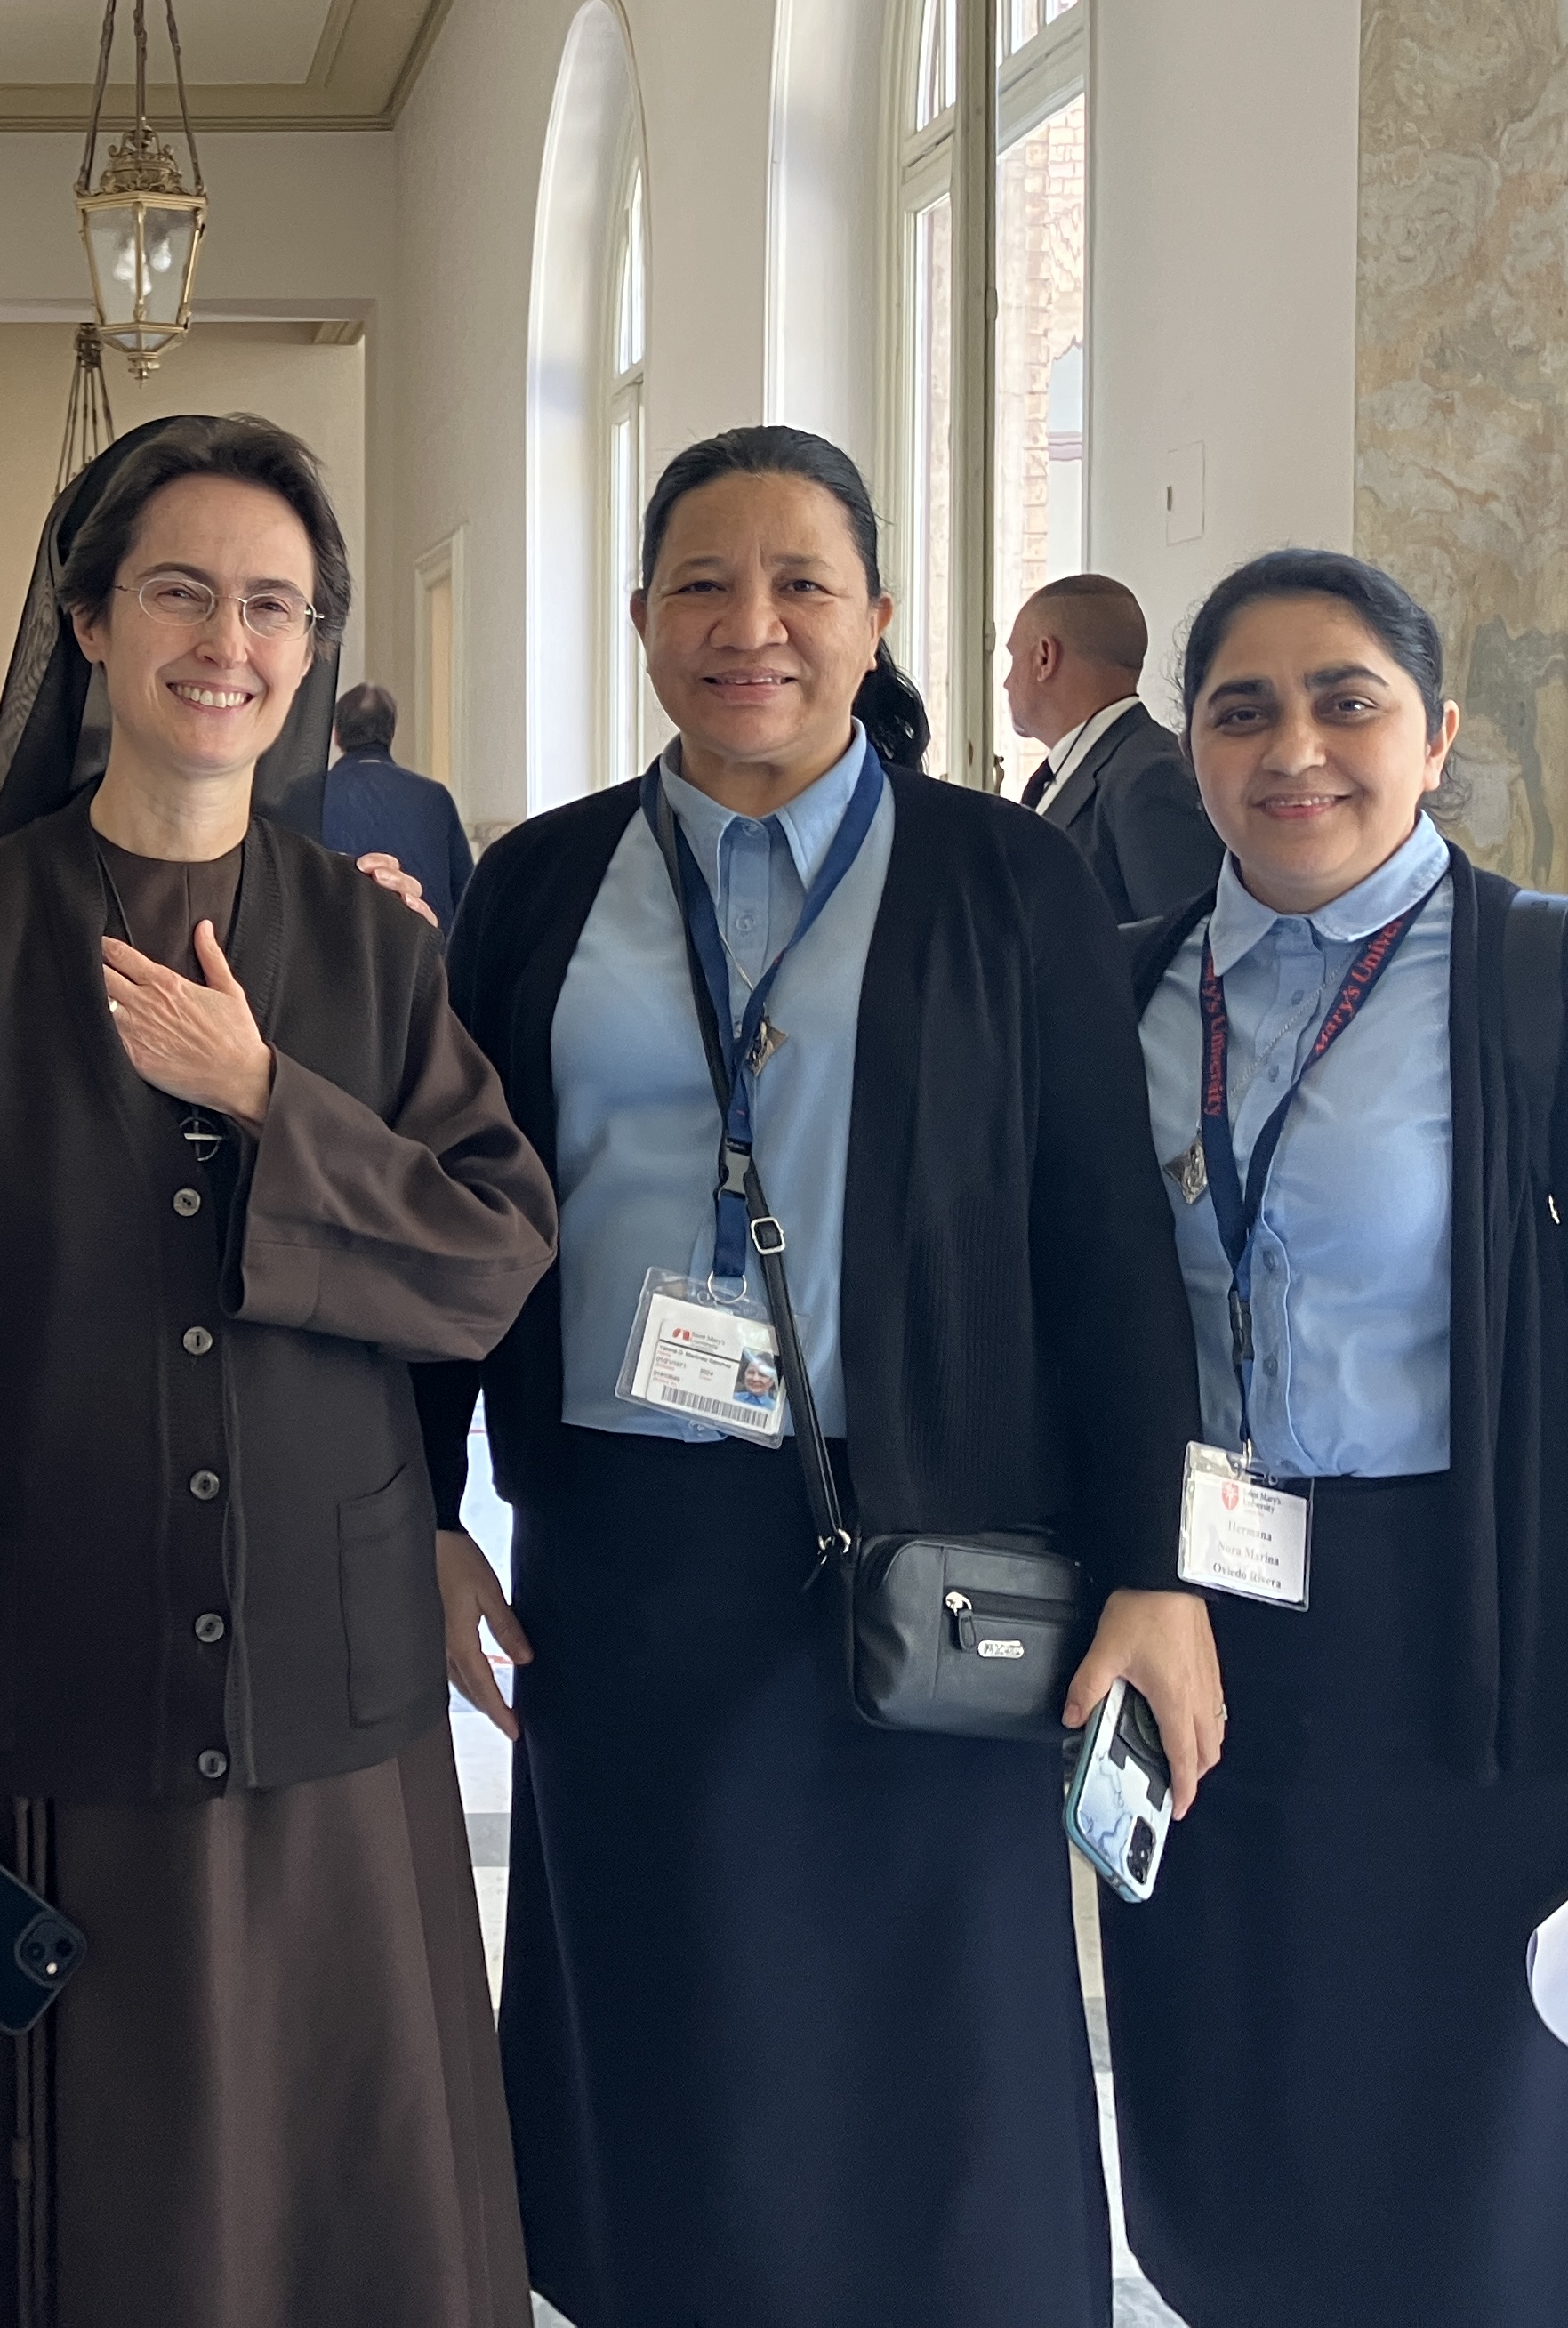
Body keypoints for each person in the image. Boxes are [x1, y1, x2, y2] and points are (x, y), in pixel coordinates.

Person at [0, 414, 559, 2328]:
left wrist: (265, 1100)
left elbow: (487, 1257)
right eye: (179, 590)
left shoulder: (371, 952)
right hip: (32, 1702)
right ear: (89, 619)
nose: (224, 640)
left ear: (312, 648)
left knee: (325, 2191)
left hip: (320, 1693)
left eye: (270, 604)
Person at [420, 423, 1223, 2327]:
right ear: (639, 618)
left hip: (935, 1546)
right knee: (661, 2017)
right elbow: (449, 1225)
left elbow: (1107, 1251)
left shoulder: (1003, 880)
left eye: (801, 584)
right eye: (702, 582)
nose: (750, 625)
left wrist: (1157, 1565)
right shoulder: (534, 889)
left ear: (875, 616)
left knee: (933, 2046)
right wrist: (421, 1515)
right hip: (625, 1563)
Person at [1101, 550, 1568, 2327]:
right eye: (1243, 708)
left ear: (1439, 736)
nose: (1295, 751)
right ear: (1191, 747)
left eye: (1350, 701)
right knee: (1266, 2148)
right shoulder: (1120, 996)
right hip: (1221, 1654)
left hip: (1497, 1660)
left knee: (1534, 2192)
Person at [1001, 570, 1221, 921]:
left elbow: (1176, 947)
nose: (1007, 682)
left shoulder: (1152, 777)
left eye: (1013, 658)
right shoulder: (1088, 768)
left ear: (1044, 657)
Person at [321, 680, 476, 927]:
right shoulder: (434, 797)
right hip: (429, 954)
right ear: (391, 732)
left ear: (336, 733)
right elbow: (467, 895)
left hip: (337, 954)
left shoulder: (308, 796)